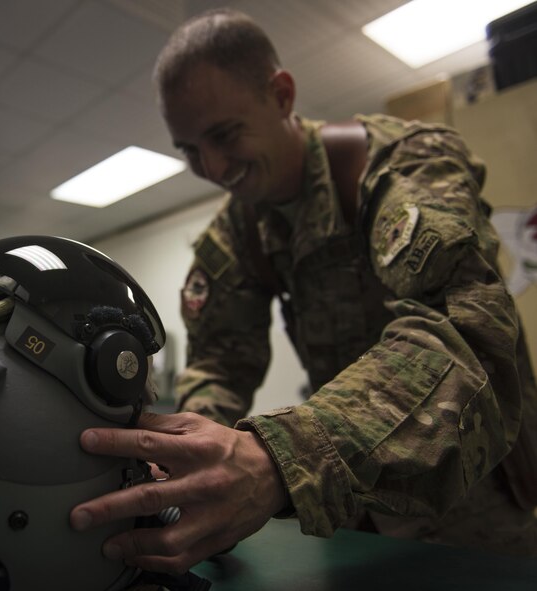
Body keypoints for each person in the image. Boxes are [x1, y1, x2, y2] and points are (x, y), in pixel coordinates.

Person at [70, 7, 537, 576]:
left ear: (282, 95)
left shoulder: (404, 163)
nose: (212, 167)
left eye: (223, 134)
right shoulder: (237, 232)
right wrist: (188, 467)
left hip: (471, 501)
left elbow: (459, 334)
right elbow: (220, 360)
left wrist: (278, 458)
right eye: (189, 150)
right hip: (354, 512)